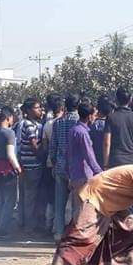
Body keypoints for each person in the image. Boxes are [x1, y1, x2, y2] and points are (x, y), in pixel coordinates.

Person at [49, 95, 80, 240]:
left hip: (60, 167)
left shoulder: (58, 122)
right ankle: (74, 234)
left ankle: (59, 233)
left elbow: (53, 147)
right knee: (77, 204)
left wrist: (55, 164)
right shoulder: (80, 122)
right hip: (76, 169)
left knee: (59, 203)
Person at [66, 101, 102, 212]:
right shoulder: (83, 133)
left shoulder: (73, 130)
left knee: (77, 209)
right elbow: (89, 156)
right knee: (84, 211)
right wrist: (100, 172)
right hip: (84, 176)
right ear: (89, 116)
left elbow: (67, 153)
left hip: (75, 174)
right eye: (94, 115)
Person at [0, 106, 21, 240]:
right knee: (10, 200)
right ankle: (3, 230)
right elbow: (10, 154)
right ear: (9, 118)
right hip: (7, 168)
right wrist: (18, 168)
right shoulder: (9, 133)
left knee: (1, 199)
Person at [17, 98, 45, 234]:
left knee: (26, 196)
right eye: (37, 108)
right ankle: (29, 226)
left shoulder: (27, 123)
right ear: (28, 110)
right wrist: (43, 152)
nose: (40, 110)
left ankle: (22, 222)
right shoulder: (29, 125)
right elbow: (34, 146)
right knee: (31, 197)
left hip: (26, 164)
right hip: (32, 165)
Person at [103, 87, 133, 169]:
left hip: (116, 161)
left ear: (116, 99)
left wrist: (106, 164)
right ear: (130, 100)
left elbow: (107, 143)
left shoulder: (111, 118)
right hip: (132, 161)